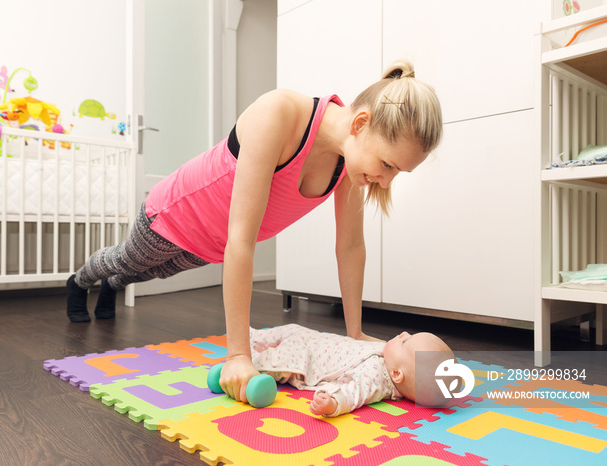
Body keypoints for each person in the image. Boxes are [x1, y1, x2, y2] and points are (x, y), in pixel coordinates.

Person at [65, 60, 443, 404]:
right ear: (360, 124)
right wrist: (238, 356)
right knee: (127, 260)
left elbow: (350, 246)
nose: (386, 179)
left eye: (397, 172)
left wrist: (356, 334)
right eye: (388, 165)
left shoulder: (350, 162)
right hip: (174, 215)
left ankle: (113, 286)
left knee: (149, 274)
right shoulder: (278, 114)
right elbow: (242, 238)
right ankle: (81, 280)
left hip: (214, 245)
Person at [250, 323, 454, 416]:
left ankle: (244, 358)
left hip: (306, 361)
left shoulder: (376, 378)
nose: (403, 333)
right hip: (316, 340)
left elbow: (352, 393)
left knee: (271, 361)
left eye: (405, 341)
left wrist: (332, 403)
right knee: (290, 330)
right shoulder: (392, 359)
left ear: (397, 375)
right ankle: (252, 335)